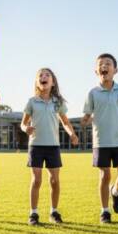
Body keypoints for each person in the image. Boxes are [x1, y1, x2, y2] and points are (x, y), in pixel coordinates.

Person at [81, 53, 118, 224]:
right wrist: (84, 121)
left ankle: (116, 192)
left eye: (108, 63)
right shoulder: (92, 93)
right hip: (101, 141)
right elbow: (87, 115)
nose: (104, 66)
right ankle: (105, 211)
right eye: (101, 64)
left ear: (115, 69)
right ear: (96, 71)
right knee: (105, 176)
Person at [21, 68, 79, 225]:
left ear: (53, 82)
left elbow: (65, 122)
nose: (43, 77)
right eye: (40, 75)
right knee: (36, 180)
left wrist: (71, 134)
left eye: (47, 75)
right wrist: (25, 128)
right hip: (36, 146)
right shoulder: (32, 102)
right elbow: (23, 123)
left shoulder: (57, 103)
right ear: (36, 82)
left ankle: (54, 212)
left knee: (54, 180)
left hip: (53, 146)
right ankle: (33, 214)